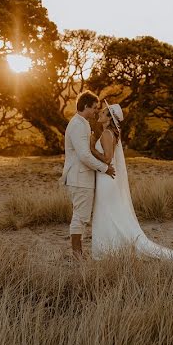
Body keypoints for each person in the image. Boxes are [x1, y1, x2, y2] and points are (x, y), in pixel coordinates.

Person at [89, 102, 173, 262]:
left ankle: (109, 249)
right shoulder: (111, 133)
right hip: (106, 179)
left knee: (106, 211)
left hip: (106, 179)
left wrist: (92, 150)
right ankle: (111, 247)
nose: (99, 114)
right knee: (109, 212)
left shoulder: (107, 134)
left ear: (109, 118)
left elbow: (107, 159)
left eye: (103, 113)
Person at [61, 91, 115, 258]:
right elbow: (84, 155)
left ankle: (78, 253)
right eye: (93, 108)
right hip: (79, 177)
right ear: (85, 106)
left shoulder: (82, 123)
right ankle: (77, 256)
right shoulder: (77, 125)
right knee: (80, 217)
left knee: (81, 216)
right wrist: (105, 168)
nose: (95, 111)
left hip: (82, 177)